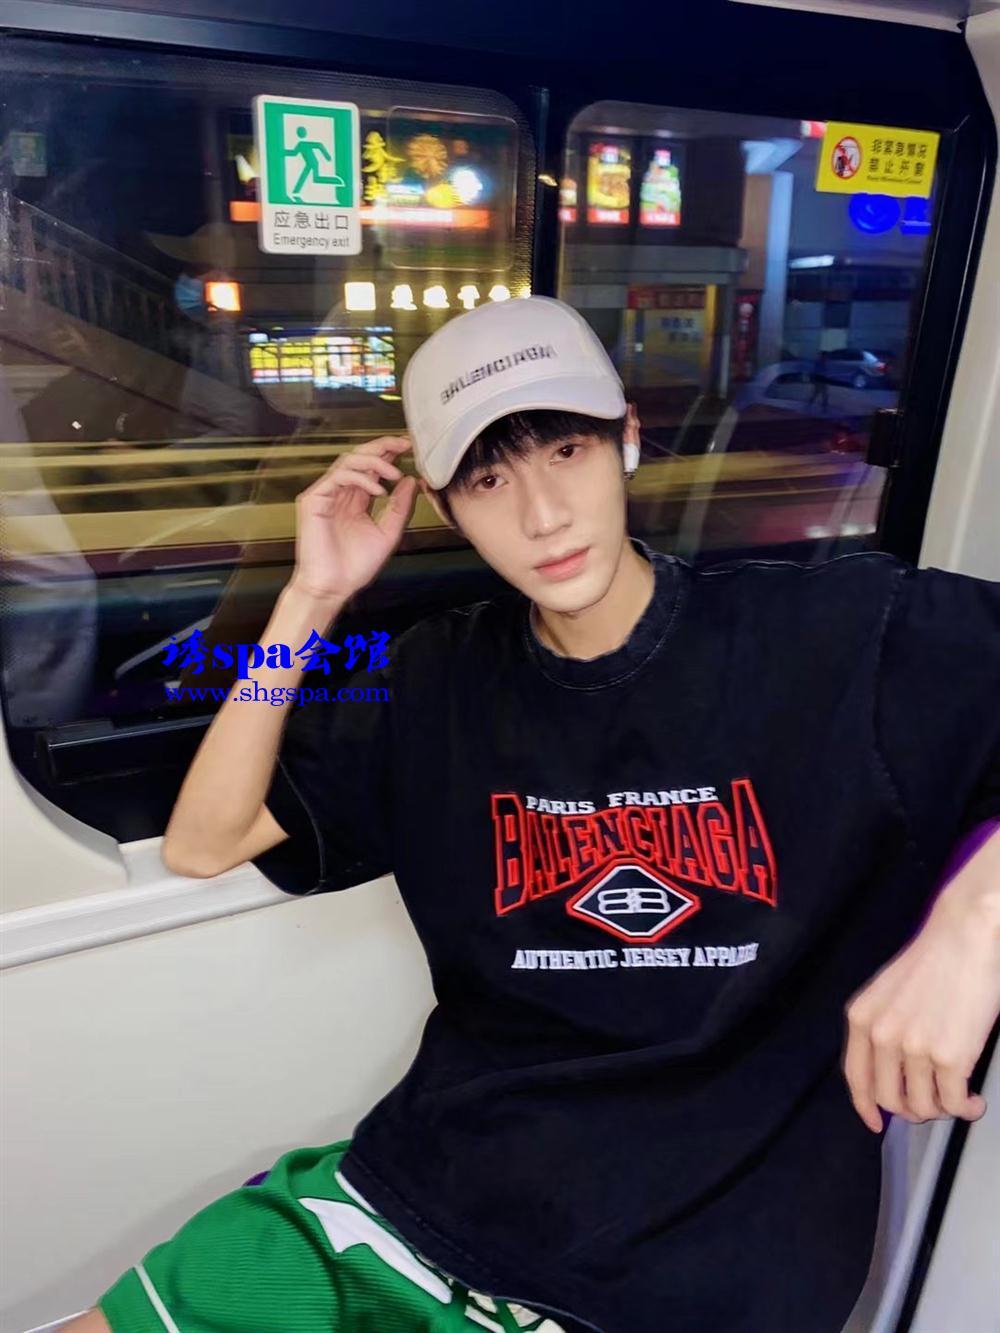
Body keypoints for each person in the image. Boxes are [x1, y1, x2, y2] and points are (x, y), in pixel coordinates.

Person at [65, 296, 1000, 1333]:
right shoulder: (435, 677)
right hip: (419, 1201)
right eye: (489, 479)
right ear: (442, 505)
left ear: (626, 439)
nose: (543, 514)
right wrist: (311, 597)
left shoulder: (828, 638)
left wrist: (973, 926)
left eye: (566, 450)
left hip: (682, 1275)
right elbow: (205, 842)